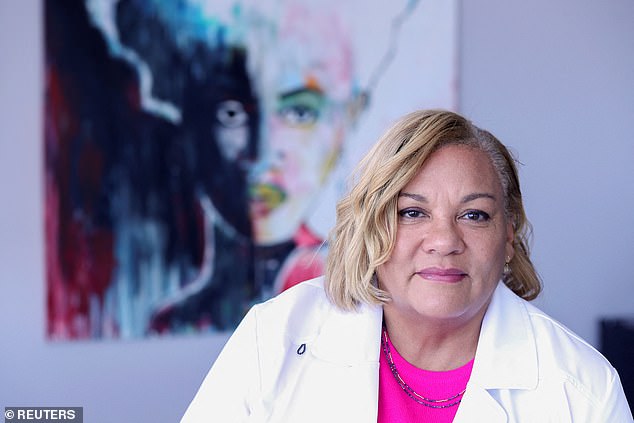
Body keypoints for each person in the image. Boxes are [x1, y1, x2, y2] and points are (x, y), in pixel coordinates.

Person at [181, 109, 633, 421]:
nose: (444, 241)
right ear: (372, 224)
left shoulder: (583, 392)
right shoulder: (274, 337)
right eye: (412, 212)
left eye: (473, 215)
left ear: (508, 236)